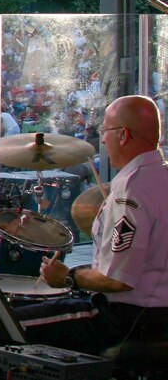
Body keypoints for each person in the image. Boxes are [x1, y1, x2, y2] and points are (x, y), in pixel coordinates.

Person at [15, 95, 168, 355]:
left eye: (104, 131)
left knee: (4, 325)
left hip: (129, 318)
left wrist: (68, 276)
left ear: (123, 135)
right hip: (158, 312)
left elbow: (117, 280)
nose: (103, 140)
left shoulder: (130, 191)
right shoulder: (160, 176)